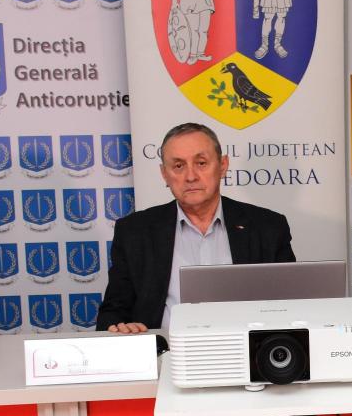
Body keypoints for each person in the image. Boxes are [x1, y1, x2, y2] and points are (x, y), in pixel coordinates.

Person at [97, 122, 294, 333]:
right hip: (166, 349)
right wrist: (121, 328)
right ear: (164, 174)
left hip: (248, 349)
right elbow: (113, 312)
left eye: (201, 163)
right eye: (178, 166)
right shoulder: (134, 232)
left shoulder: (268, 228)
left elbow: (293, 307)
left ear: (223, 165)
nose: (191, 176)